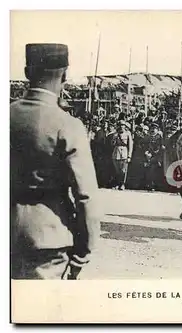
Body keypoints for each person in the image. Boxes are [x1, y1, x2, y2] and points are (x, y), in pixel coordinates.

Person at [11, 43, 101, 279]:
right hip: (48, 239)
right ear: (65, 75)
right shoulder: (68, 125)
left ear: (27, 73)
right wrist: (83, 251)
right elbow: (85, 196)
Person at [111, 120, 133, 190]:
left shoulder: (127, 134)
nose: (121, 127)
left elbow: (130, 145)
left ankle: (122, 184)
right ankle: (118, 183)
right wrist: (114, 138)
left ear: (125, 126)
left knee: (123, 170)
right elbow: (112, 144)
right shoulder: (115, 134)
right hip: (116, 152)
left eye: (122, 125)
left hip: (124, 152)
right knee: (117, 170)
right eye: (120, 125)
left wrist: (129, 156)